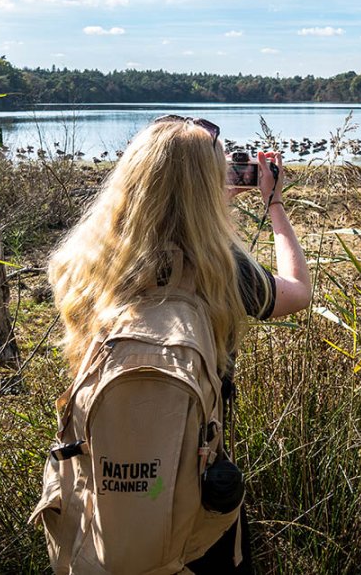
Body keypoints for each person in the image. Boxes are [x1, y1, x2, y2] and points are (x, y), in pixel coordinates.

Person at [47, 114, 311, 573]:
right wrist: (274, 206)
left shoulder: (84, 261)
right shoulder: (221, 269)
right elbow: (298, 290)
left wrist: (198, 203)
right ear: (208, 185)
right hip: (200, 493)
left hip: (102, 480)